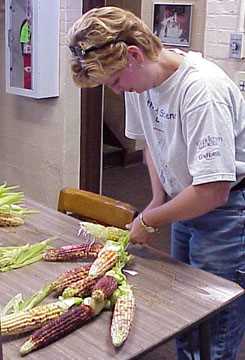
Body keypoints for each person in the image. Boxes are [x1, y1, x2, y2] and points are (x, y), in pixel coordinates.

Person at [68, 6, 245, 360]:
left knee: (215, 320)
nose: (117, 91)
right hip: (182, 202)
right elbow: (154, 143)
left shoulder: (201, 91)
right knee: (186, 306)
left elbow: (214, 189)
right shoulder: (140, 86)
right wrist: (156, 198)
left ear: (133, 55)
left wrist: (151, 220)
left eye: (115, 81)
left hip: (224, 211)